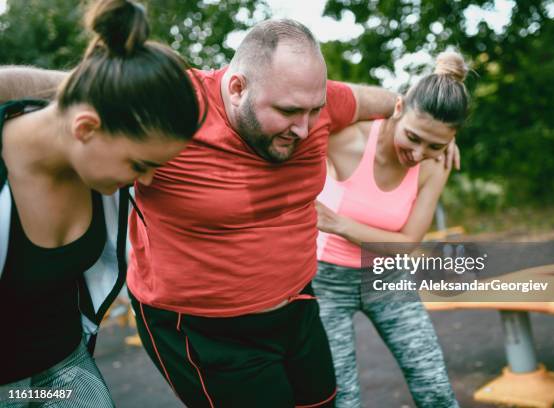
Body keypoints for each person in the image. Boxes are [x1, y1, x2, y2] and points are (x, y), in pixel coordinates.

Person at [0, 18, 458, 407]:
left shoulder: (317, 103)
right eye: (288, 111)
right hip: (205, 329)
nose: (305, 126)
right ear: (237, 87)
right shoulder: (174, 104)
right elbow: (67, 89)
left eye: (315, 110)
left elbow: (393, 103)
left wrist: (432, 133)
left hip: (296, 306)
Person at [0, 0, 204, 406]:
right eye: (140, 165)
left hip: (68, 371)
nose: (146, 181)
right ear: (86, 127)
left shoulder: (101, 172)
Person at [312, 51, 469, 408]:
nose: (418, 153)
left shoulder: (435, 164)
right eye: (413, 137)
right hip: (327, 283)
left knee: (435, 388)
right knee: (344, 399)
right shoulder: (347, 139)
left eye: (435, 144)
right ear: (397, 110)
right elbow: (309, 109)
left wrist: (337, 223)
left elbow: (407, 244)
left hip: (388, 279)